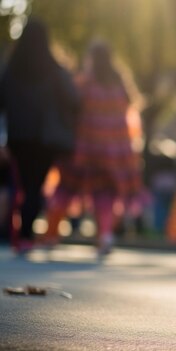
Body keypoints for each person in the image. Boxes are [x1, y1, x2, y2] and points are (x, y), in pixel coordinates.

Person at [45, 41, 143, 256]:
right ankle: (105, 235)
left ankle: (51, 233)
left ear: (91, 59)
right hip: (114, 150)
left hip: (84, 148)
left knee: (66, 188)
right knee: (105, 194)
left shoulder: (84, 84)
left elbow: (70, 109)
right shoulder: (120, 86)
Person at [0, 20, 79, 255]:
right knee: (35, 185)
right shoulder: (55, 70)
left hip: (19, 136)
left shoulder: (12, 69)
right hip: (46, 138)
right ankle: (25, 234)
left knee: (23, 183)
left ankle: (19, 232)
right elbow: (74, 101)